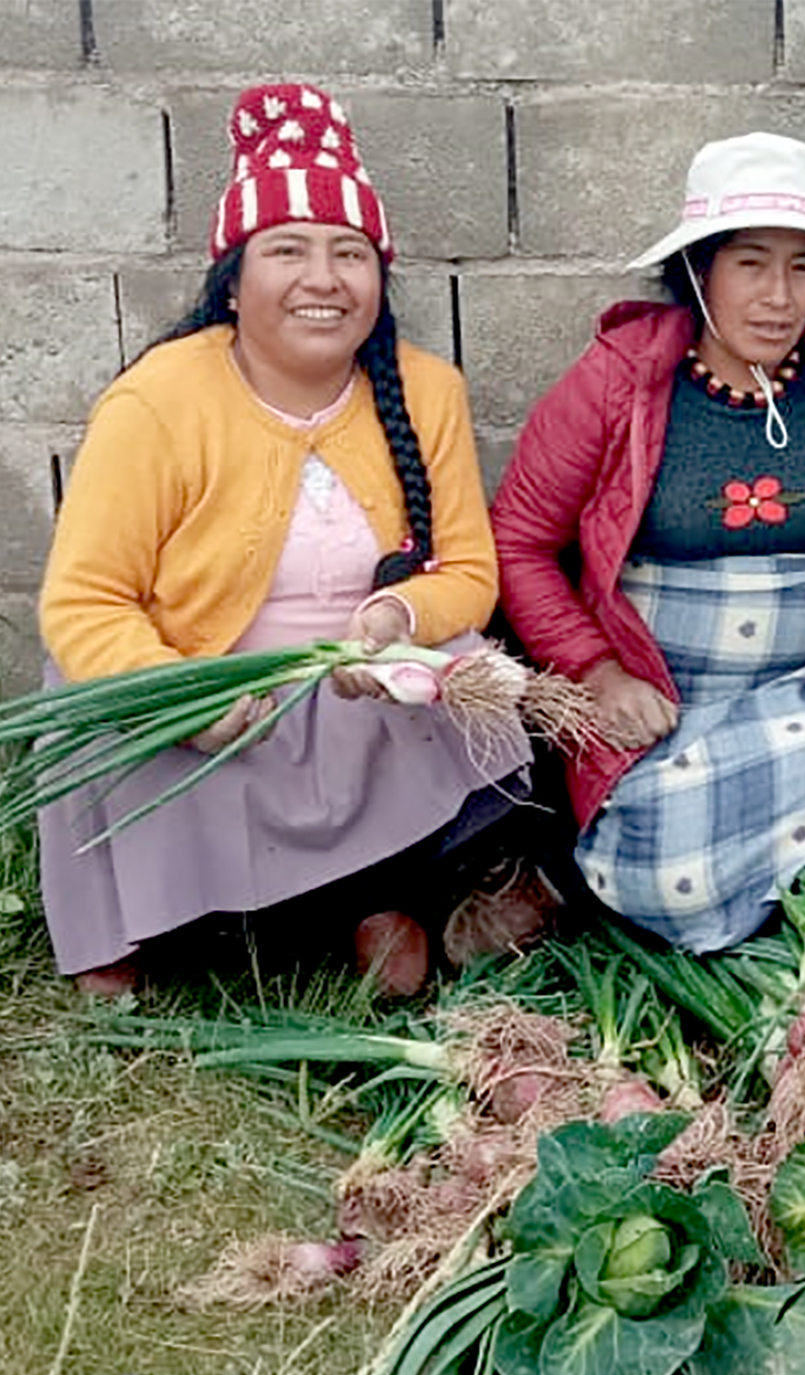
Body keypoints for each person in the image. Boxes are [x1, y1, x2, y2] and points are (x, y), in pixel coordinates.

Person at [38, 81, 529, 997]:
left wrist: (395, 615)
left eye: (350, 253)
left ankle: (379, 894)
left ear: (379, 280)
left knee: (467, 672)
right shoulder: (158, 400)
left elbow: (467, 572)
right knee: (81, 689)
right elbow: (83, 600)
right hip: (206, 685)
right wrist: (180, 699)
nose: (323, 278)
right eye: (288, 250)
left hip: (347, 682)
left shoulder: (427, 392)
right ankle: (134, 924)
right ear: (235, 278)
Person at [491, 132, 805, 953]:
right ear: (698, 271)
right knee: (659, 853)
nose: (779, 296)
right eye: (751, 264)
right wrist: (597, 671)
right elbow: (519, 541)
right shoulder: (616, 383)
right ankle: (778, 926)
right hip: (664, 705)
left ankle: (793, 942)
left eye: (802, 268)